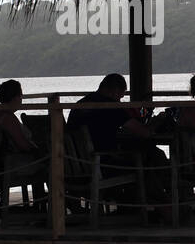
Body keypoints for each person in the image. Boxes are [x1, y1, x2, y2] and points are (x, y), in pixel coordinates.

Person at [68, 73, 169, 204]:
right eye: (121, 96)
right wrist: (158, 120)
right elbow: (144, 133)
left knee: (147, 157)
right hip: (102, 166)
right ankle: (164, 206)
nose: (120, 101)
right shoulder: (111, 107)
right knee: (148, 162)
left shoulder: (80, 105)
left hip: (75, 166)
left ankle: (133, 206)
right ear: (115, 90)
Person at [0, 80, 36, 152]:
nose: (21, 99)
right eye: (20, 95)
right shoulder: (8, 117)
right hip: (18, 160)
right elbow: (23, 144)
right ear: (15, 98)